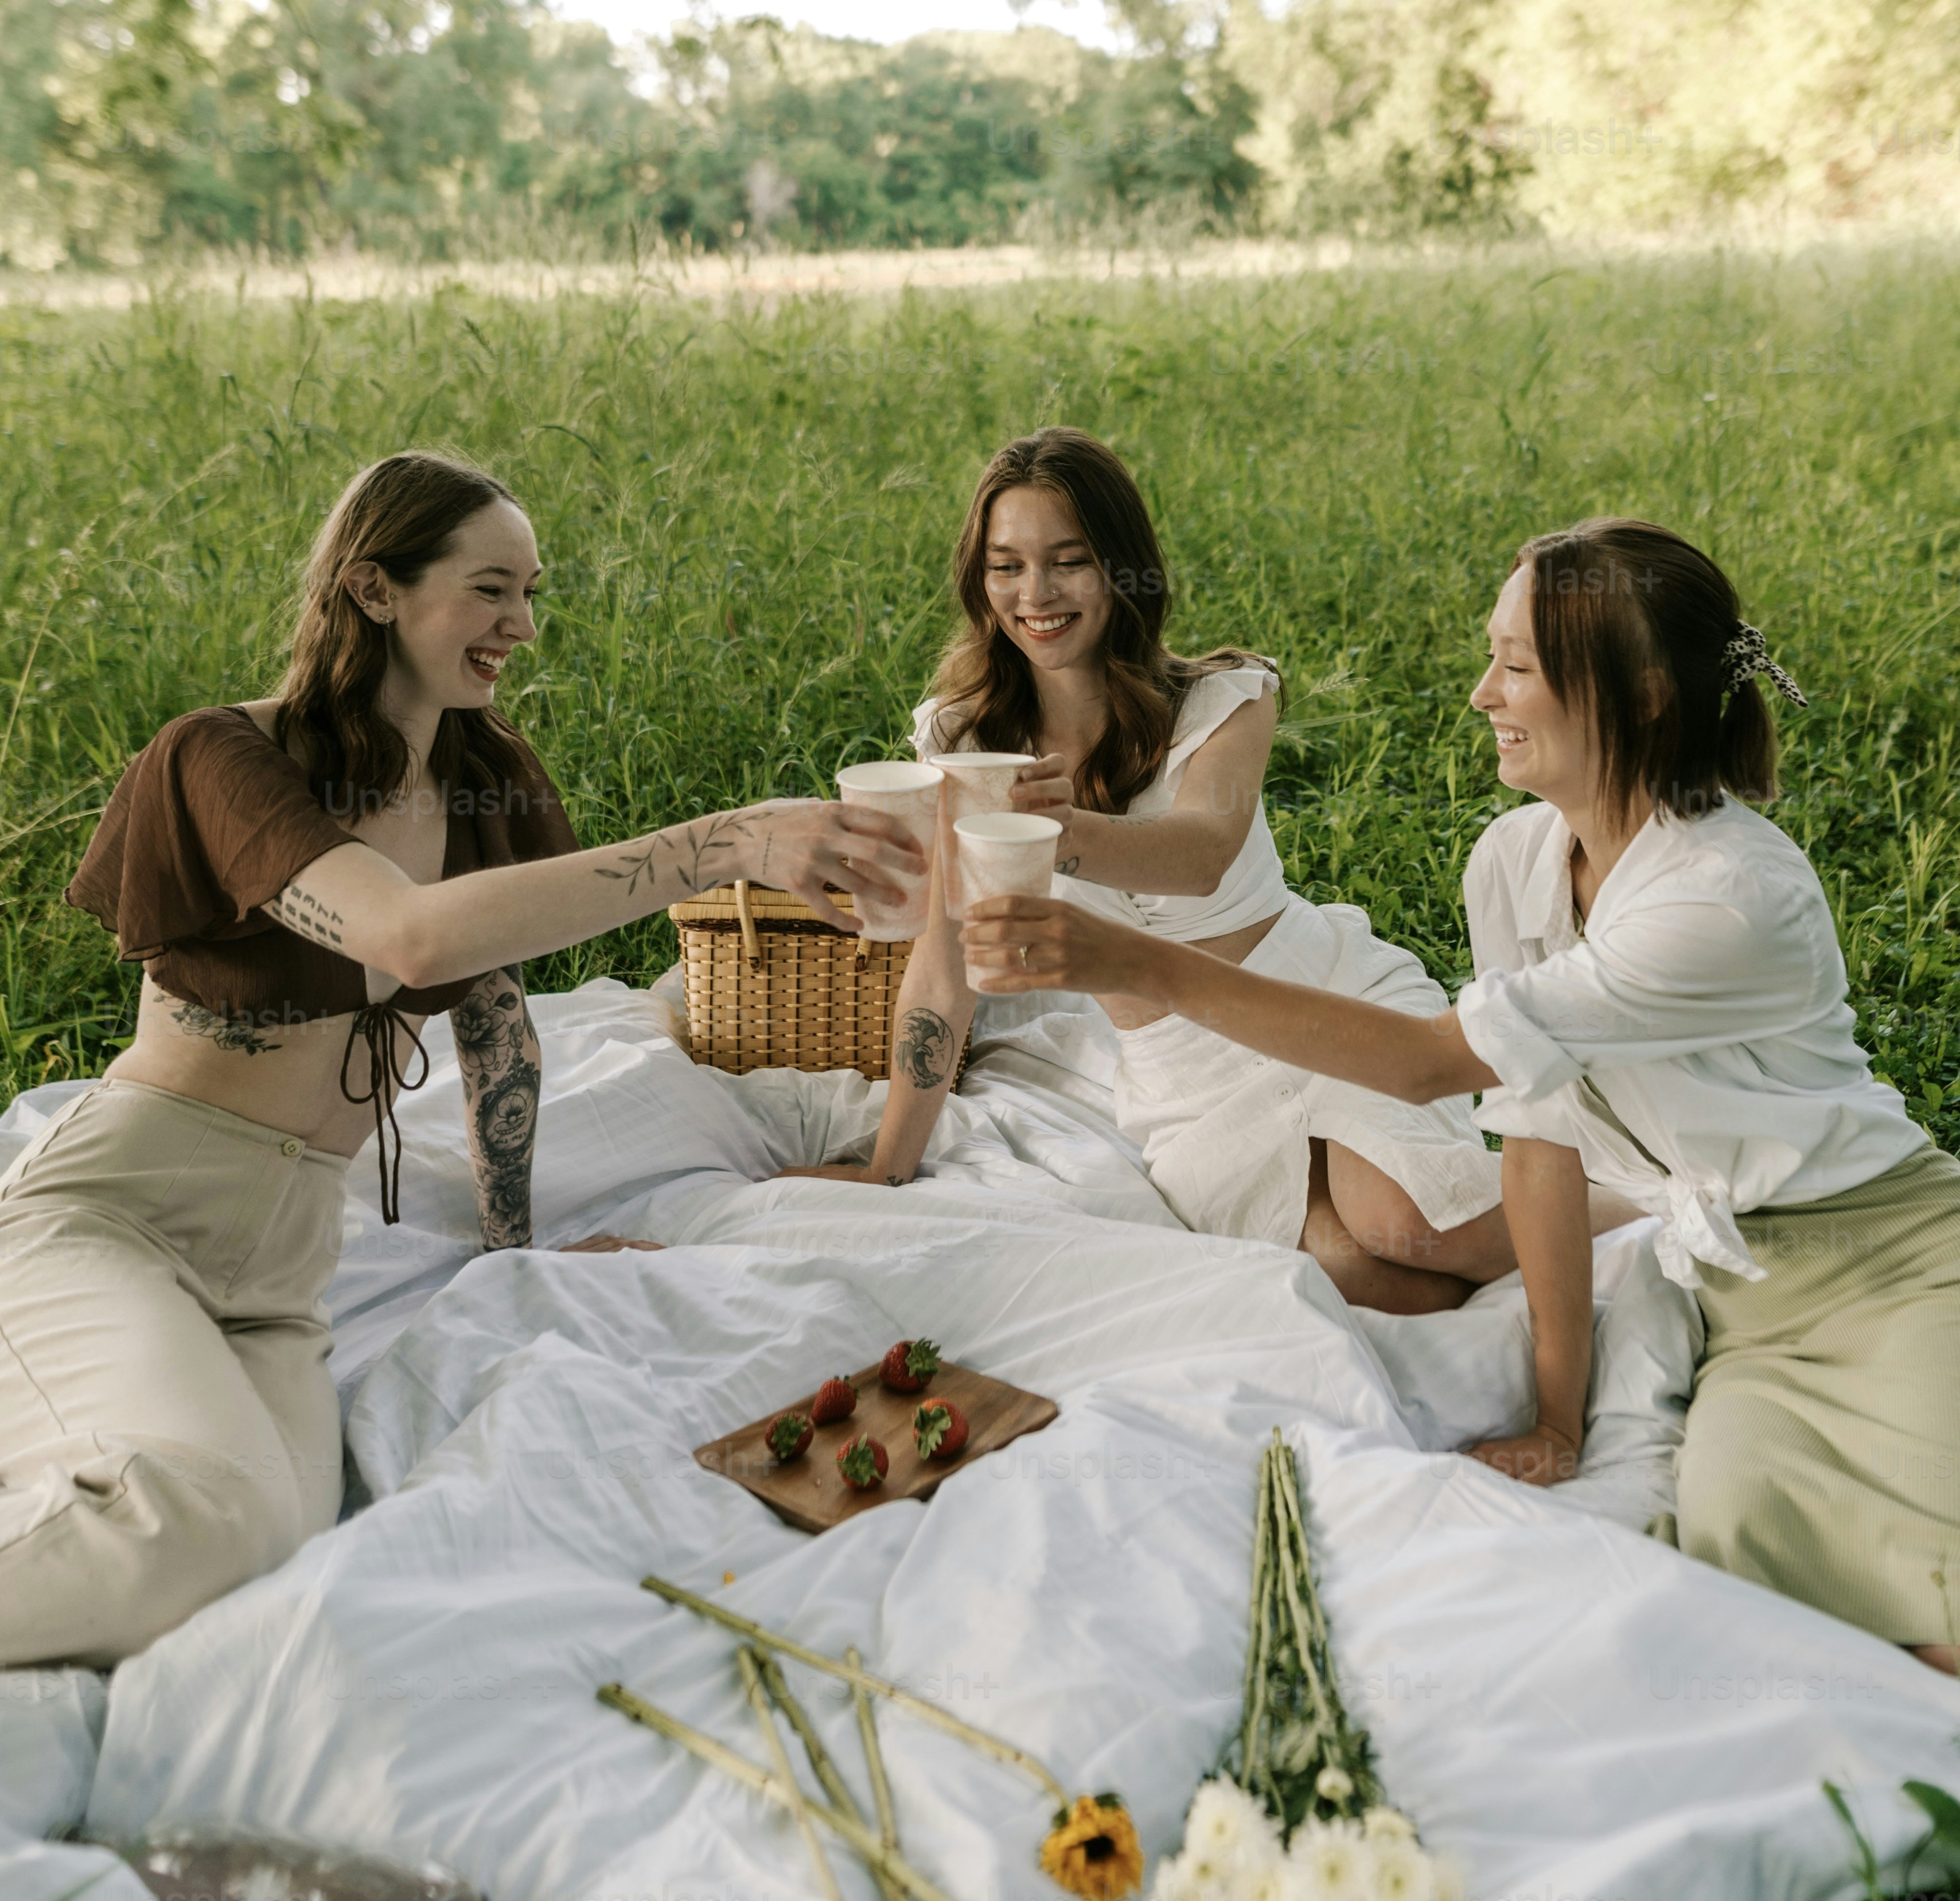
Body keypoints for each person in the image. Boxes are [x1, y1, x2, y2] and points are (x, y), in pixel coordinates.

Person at [967, 515, 1960, 1667]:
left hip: (1880, 1264)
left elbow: (1430, 1064)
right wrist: (1551, 1415)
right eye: (1491, 657)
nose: (1481, 694)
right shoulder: (1515, 859)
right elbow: (1536, 1134)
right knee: (1746, 1536)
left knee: (1917, 1564)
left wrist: (1134, 965)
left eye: (1519, 668)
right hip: (1731, 1296)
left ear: (1640, 695)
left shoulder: (1721, 900)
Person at [0, 451, 921, 1669]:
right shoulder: (224, 760)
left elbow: (488, 1021)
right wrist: (727, 842)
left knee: (276, 1535)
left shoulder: (486, 780)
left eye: (531, 593)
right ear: (376, 588)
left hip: (282, 1274)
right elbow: (404, 933)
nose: (522, 626)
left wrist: (513, 1244)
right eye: (491, 590)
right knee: (195, 1522)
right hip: (123, 1215)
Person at [794, 427, 1545, 1309]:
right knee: (1357, 1275)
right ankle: (1559, 1279)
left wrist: (1041, 828)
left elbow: (1199, 856)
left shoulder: (1224, 698)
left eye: (1068, 561)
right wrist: (889, 1166)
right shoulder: (958, 743)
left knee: (1404, 1223)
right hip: (1183, 1076)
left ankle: (1667, 1226)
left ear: (1122, 567)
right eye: (1006, 566)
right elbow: (943, 957)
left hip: (1318, 998)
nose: (1034, 594)